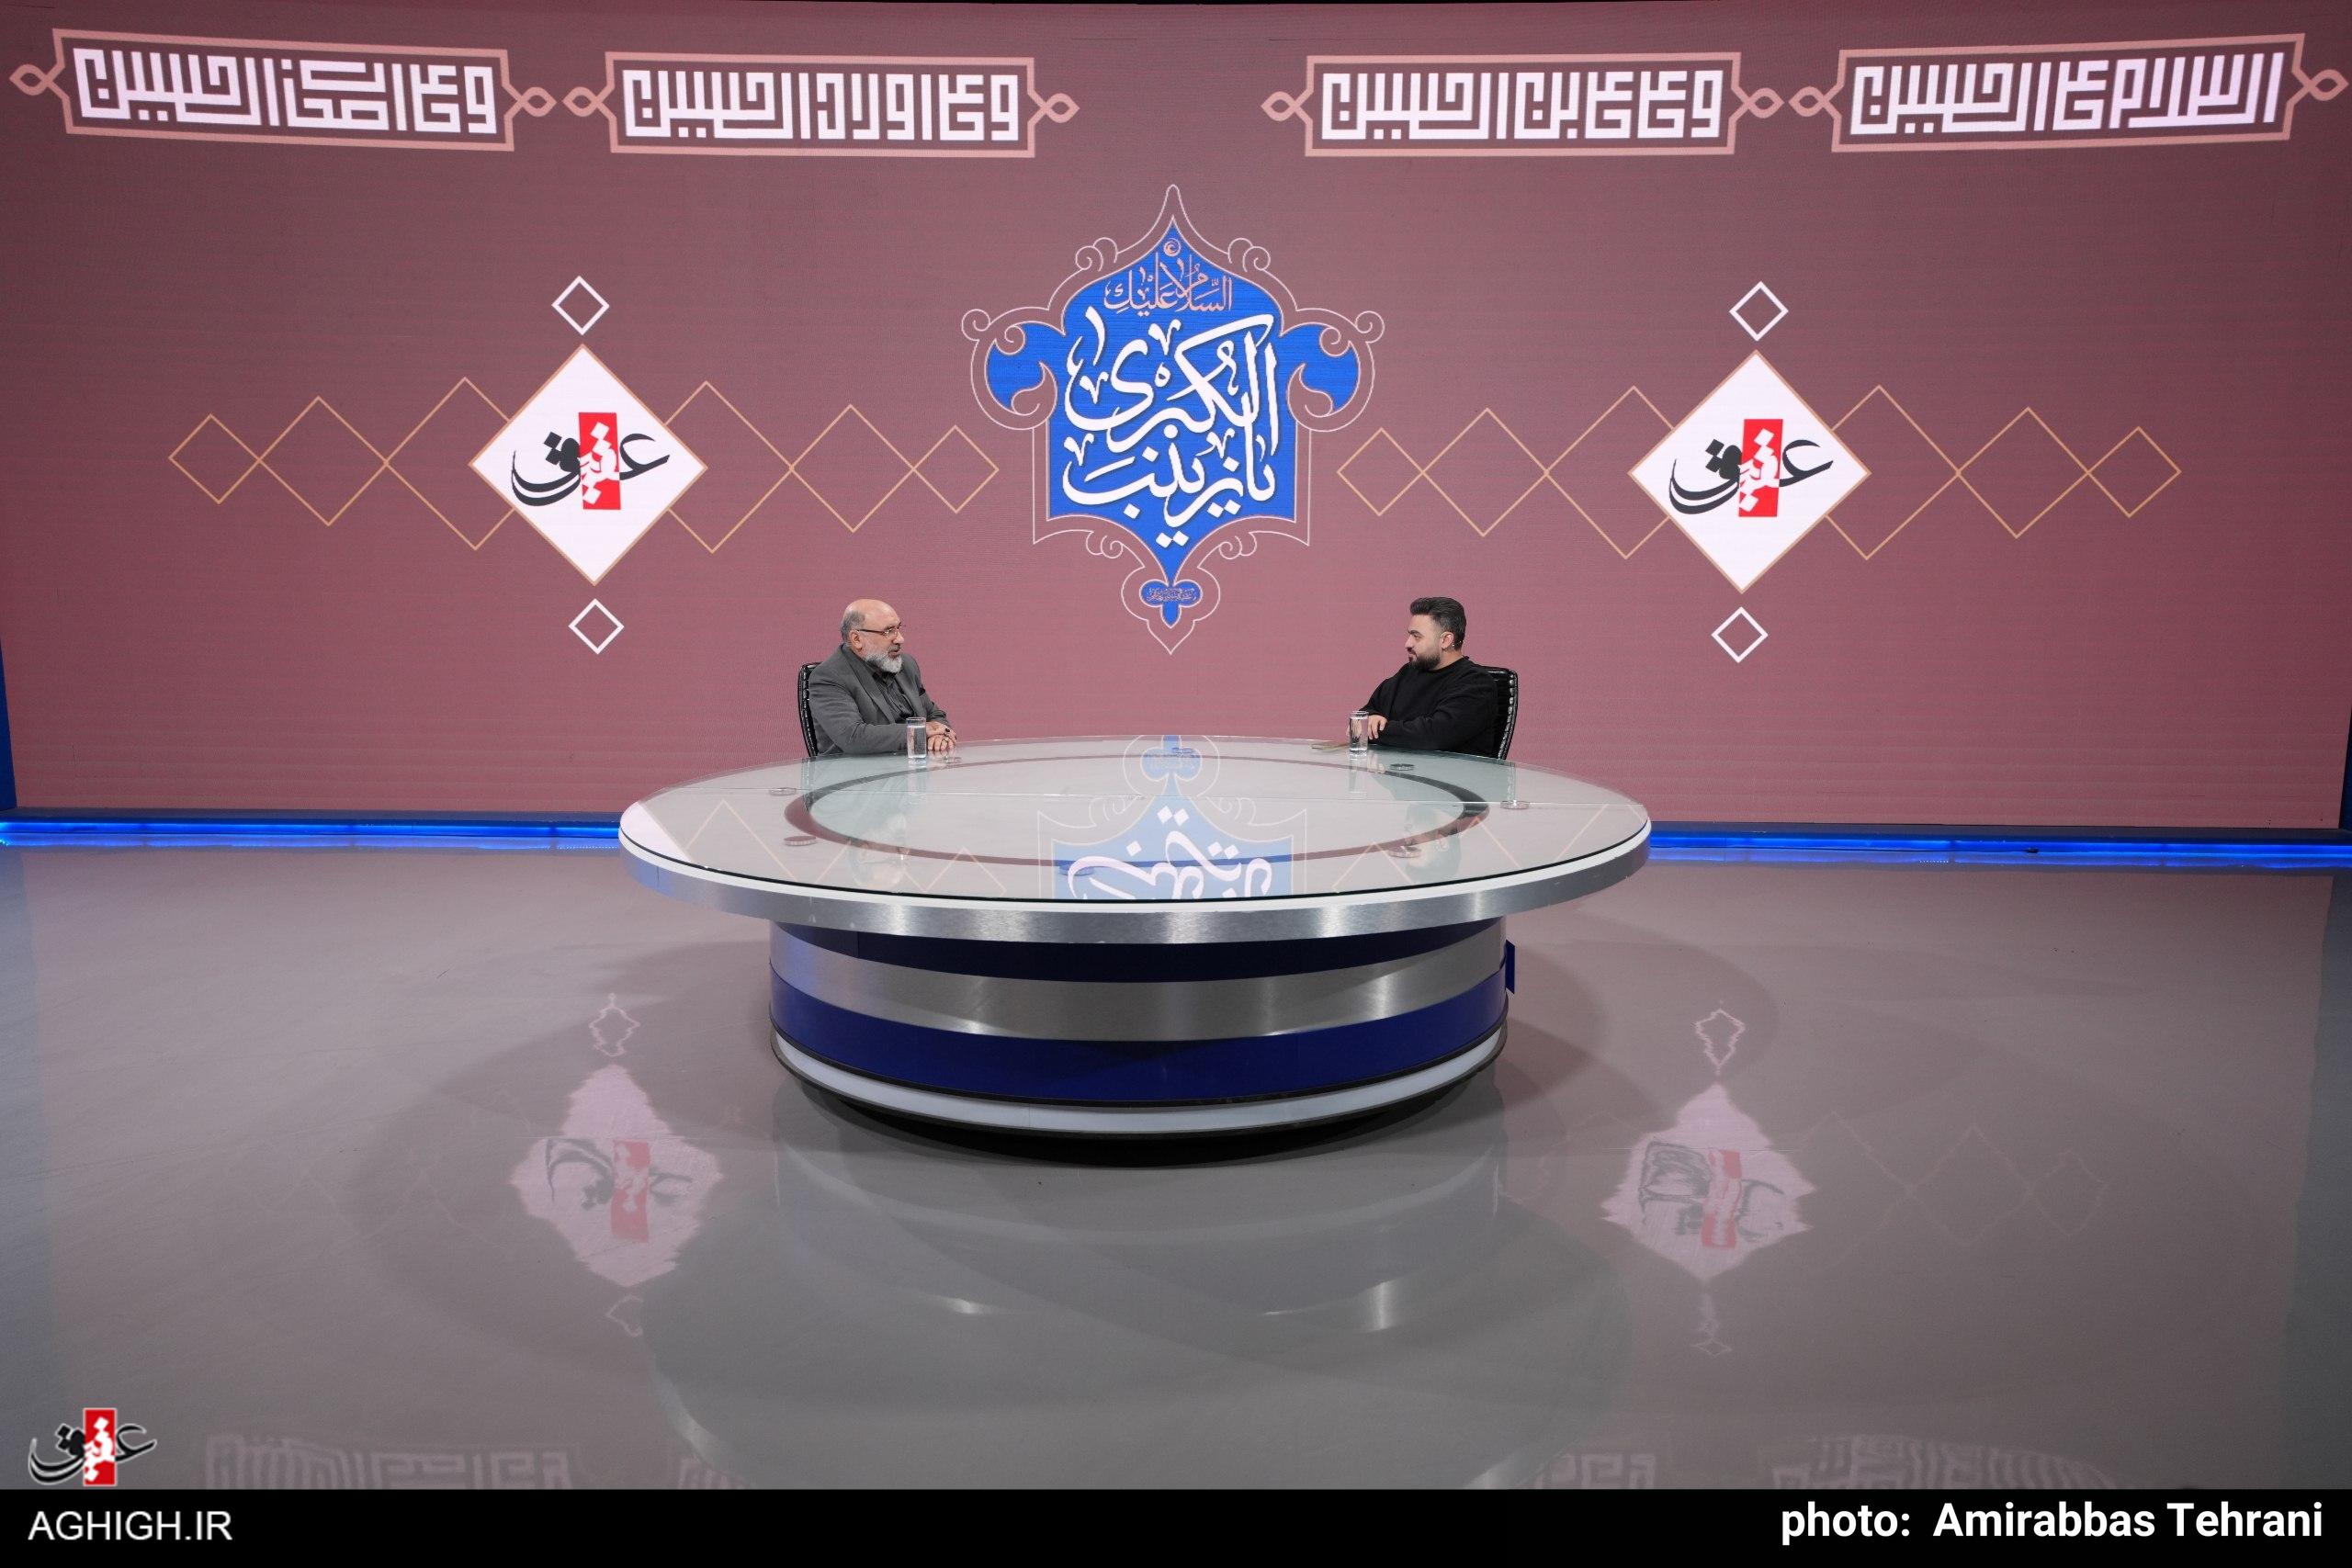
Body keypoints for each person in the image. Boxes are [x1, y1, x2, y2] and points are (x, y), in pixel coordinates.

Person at [805, 599, 955, 757]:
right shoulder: (829, 677)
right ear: (857, 639)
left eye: (898, 628)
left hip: (909, 768)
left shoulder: (907, 665)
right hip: (855, 770)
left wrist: (940, 736)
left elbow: (934, 715)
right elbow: (853, 737)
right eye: (888, 631)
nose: (900, 639)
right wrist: (920, 732)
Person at [1356, 596, 1501, 756]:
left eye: (1416, 636)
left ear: (1445, 640)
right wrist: (1372, 718)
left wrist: (1375, 730)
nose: (1407, 643)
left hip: (1450, 772)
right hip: (1400, 770)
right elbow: (1364, 715)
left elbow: (1432, 736)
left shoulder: (1476, 683)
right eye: (1409, 635)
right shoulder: (1408, 672)